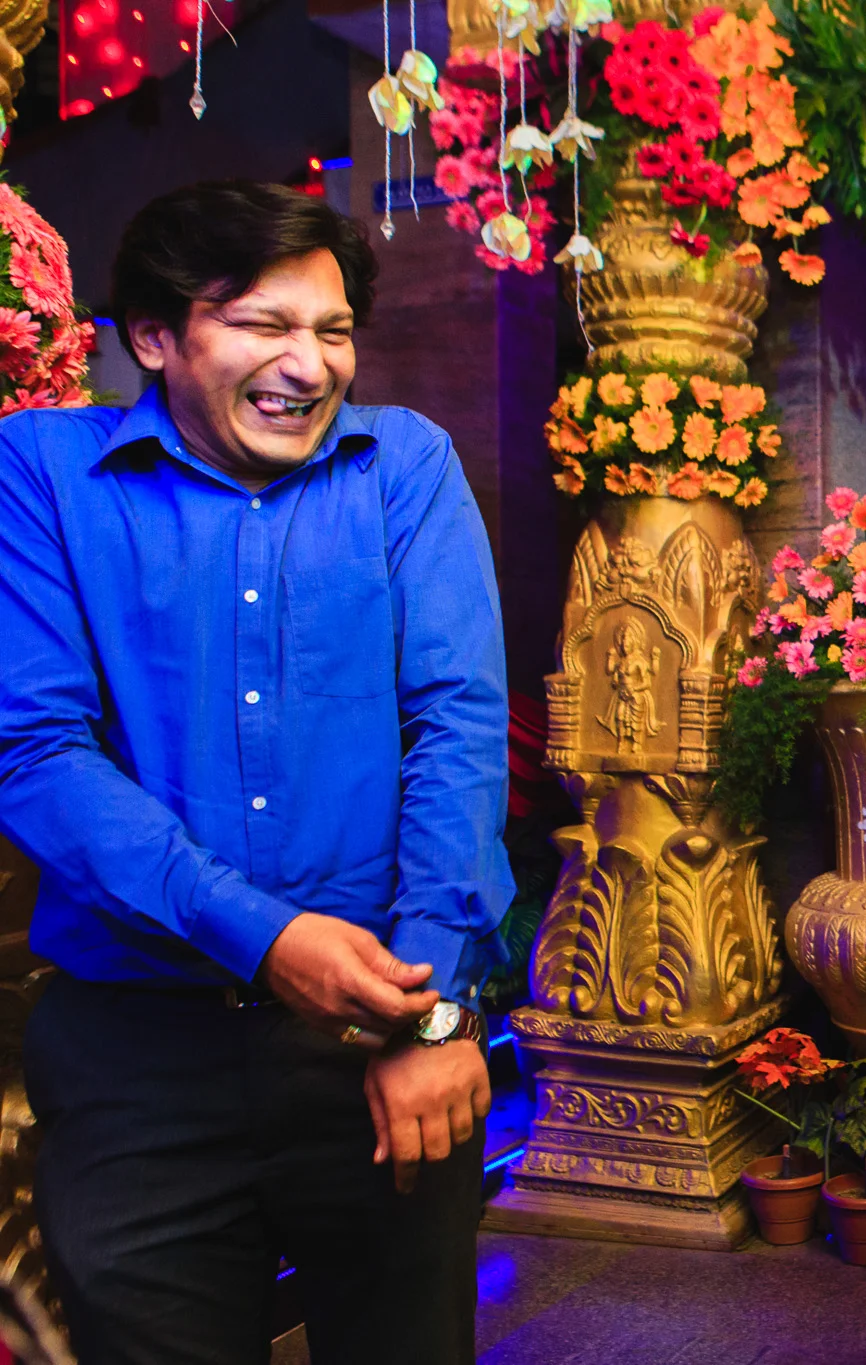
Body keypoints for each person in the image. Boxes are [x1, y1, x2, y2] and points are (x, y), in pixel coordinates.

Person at [0, 181, 511, 1363]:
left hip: (381, 1035)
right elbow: (36, 753)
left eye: (333, 330)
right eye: (263, 324)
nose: (310, 364)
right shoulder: (41, 473)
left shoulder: (401, 466)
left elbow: (457, 730)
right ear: (153, 336)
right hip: (134, 1058)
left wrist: (434, 1018)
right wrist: (265, 938)